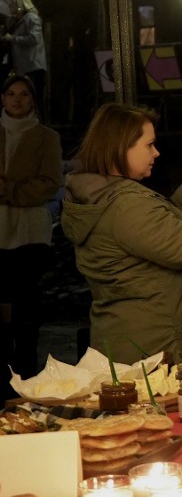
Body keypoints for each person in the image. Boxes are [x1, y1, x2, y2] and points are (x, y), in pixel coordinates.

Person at [61, 103, 182, 365]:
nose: (156, 153)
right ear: (121, 146)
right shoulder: (126, 205)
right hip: (154, 353)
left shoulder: (101, 195)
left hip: (131, 344)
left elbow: (159, 229)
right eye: (149, 145)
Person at [0, 75, 62, 396]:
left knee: (26, 311)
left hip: (29, 234)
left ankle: (24, 379)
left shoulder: (45, 138)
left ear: (33, 99)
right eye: (11, 93)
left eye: (24, 94)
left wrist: (8, 190)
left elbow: (49, 183)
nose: (17, 99)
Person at [2, 0, 47, 107]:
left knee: (33, 99)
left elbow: (34, 39)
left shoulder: (31, 18)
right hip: (23, 67)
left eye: (11, 4)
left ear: (19, 6)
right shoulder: (16, 21)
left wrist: (13, 38)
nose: (9, 6)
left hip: (32, 66)